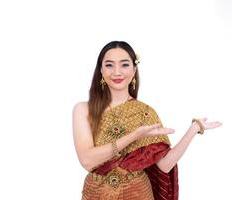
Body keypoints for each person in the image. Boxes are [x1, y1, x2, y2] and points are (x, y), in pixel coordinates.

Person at [72, 41, 223, 200]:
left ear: (134, 69)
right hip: (96, 193)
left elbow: (164, 166)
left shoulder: (145, 113)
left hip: (137, 192)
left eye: (124, 65)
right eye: (109, 65)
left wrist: (193, 129)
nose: (117, 72)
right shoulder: (84, 109)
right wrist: (134, 136)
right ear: (101, 70)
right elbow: (87, 161)